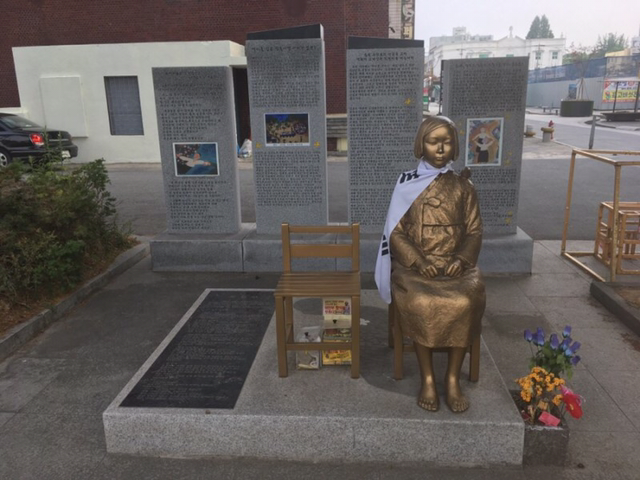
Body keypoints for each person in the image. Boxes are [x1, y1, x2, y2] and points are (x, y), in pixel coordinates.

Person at [375, 116, 485, 413]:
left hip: (456, 267)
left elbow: (474, 231)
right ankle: (427, 377)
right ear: (420, 144)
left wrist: (461, 259)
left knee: (464, 301)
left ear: (455, 147)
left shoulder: (464, 187)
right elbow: (396, 232)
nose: (440, 148)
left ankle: (452, 378)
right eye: (433, 142)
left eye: (446, 142)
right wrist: (418, 260)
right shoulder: (407, 185)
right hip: (416, 268)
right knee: (422, 302)